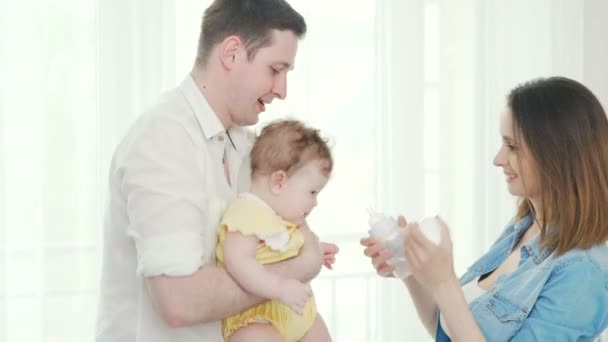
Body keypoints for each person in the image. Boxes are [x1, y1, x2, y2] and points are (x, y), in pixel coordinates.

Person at [95, 1, 338, 341]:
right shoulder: (163, 140)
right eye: (275, 69)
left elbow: (285, 233)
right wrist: (298, 269)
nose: (282, 90)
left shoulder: (247, 146)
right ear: (232, 53)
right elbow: (180, 300)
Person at [361, 76, 608, 341]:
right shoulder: (524, 228)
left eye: (512, 147)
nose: (498, 159)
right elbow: (447, 331)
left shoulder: (583, 273)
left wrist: (445, 283)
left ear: (558, 154)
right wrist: (411, 268)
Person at [216, 119, 334, 342]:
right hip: (257, 321)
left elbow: (282, 248)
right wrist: (279, 287)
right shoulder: (246, 213)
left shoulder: (283, 218)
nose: (315, 202)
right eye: (312, 192)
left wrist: (315, 249)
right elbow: (238, 262)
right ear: (279, 182)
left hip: (299, 315)